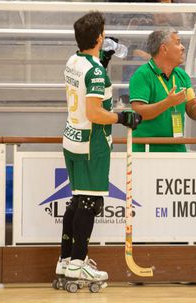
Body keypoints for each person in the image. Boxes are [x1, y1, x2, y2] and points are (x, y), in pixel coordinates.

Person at [56, 11, 142, 290]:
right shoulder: (94, 72)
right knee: (89, 203)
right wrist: (121, 117)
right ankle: (79, 264)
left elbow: (85, 82)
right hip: (91, 142)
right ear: (100, 37)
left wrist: (102, 59)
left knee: (77, 199)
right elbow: (95, 111)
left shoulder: (74, 60)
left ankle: (66, 260)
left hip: (72, 137)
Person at [129, 29, 196, 152]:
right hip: (147, 148)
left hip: (177, 146)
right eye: (177, 43)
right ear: (164, 49)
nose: (182, 47)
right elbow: (138, 113)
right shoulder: (142, 75)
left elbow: (194, 112)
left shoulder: (182, 76)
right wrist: (168, 102)